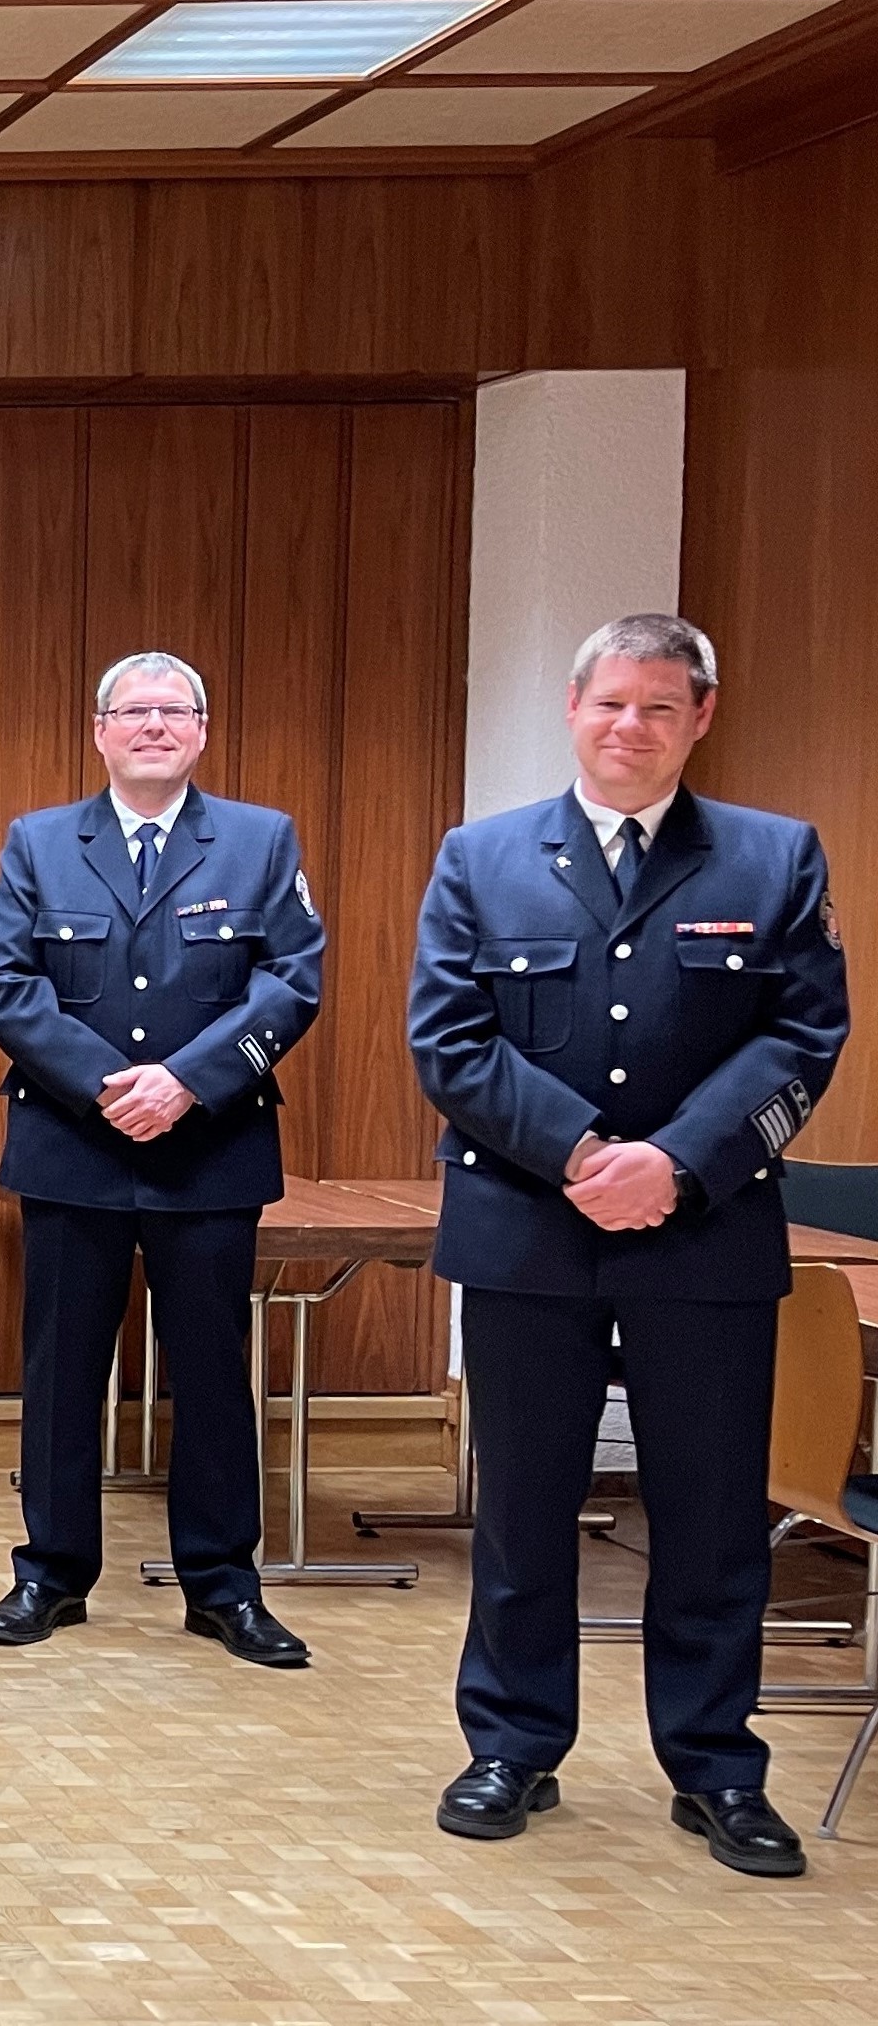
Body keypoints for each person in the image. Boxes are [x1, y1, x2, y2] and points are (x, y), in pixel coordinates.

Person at [410, 611, 848, 1879]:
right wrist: (583, 1158)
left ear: (700, 718)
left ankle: (714, 1766)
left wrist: (674, 1163)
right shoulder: (482, 857)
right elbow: (449, 1040)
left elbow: (799, 1040)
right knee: (526, 1509)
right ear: (572, 709)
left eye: (660, 708)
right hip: (523, 1233)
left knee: (710, 1516)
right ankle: (510, 1747)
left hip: (701, 1237)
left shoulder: (771, 860)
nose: (631, 729)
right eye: (611, 704)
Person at [0, 654, 325, 1671]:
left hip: (209, 1146)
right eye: (135, 712)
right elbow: (4, 981)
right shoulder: (39, 841)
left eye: (175, 711)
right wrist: (108, 1086)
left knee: (211, 1371)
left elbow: (291, 982)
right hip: (71, 1142)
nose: (154, 726)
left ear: (203, 731)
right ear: (99, 731)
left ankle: (221, 1587)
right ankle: (49, 1573)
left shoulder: (259, 841)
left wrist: (187, 1083)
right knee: (60, 1368)